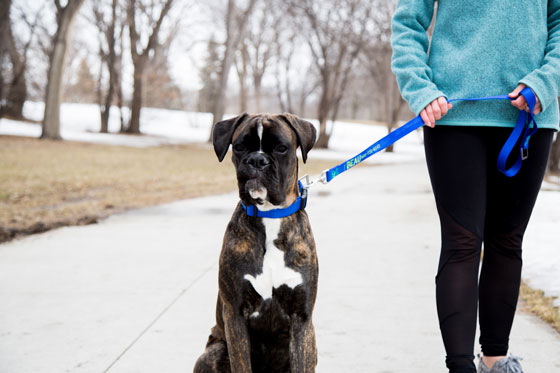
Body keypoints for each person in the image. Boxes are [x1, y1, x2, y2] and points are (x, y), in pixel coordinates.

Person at [390, 1, 560, 372]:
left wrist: (545, 81)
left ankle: (496, 360)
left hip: (531, 115)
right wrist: (420, 88)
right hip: (452, 115)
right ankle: (461, 367)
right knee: (463, 242)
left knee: (507, 240)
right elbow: (408, 23)